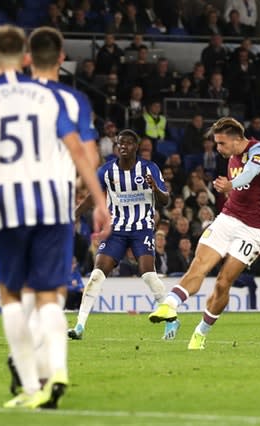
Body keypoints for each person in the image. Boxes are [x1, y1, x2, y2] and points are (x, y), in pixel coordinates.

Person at [0, 25, 110, 409]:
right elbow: (82, 152)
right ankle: (53, 367)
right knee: (49, 296)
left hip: (6, 206)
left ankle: (29, 381)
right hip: (55, 203)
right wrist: (99, 199)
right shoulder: (58, 99)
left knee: (12, 296)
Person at [148, 117, 260, 350]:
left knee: (223, 282)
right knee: (198, 265)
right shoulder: (231, 156)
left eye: (222, 143)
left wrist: (230, 185)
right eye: (216, 143)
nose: (218, 148)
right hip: (226, 219)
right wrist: (229, 188)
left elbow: (250, 173)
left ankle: (201, 332)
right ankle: (170, 304)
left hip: (252, 230)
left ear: (237, 140)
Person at [68, 128, 173, 340]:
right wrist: (75, 214)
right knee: (97, 274)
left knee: (148, 274)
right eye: (120, 143)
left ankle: (171, 320)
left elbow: (165, 201)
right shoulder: (107, 171)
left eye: (128, 143)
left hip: (142, 227)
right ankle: (79, 326)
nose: (124, 147)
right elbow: (93, 197)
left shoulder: (149, 169)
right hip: (116, 228)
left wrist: (155, 188)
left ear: (136, 147)